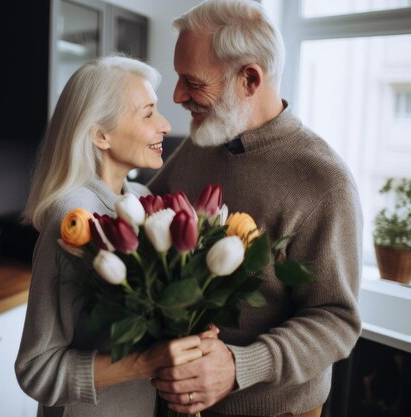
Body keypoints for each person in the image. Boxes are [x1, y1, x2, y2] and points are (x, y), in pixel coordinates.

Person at [147, 1, 363, 416]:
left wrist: (239, 365)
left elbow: (337, 320)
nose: (176, 97)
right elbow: (144, 210)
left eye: (192, 82)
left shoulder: (324, 181)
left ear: (250, 79)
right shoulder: (202, 139)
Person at [15, 55, 218, 417]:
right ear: (100, 135)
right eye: (148, 113)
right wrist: (144, 362)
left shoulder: (139, 198)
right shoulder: (74, 218)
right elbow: (37, 371)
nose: (164, 125)